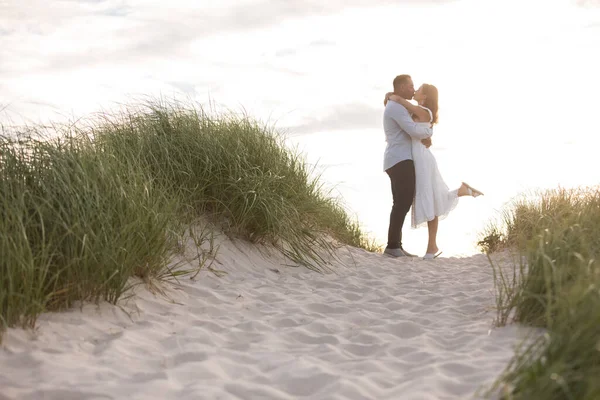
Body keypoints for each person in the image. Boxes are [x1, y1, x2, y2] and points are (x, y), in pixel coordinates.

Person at [384, 83, 483, 259]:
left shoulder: (424, 112)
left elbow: (411, 116)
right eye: (412, 86)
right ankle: (431, 245)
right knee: (430, 196)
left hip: (421, 158)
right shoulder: (416, 111)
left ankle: (431, 247)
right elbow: (408, 121)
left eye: (418, 88)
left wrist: (397, 98)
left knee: (430, 197)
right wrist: (391, 96)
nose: (415, 90)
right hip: (417, 157)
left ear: (425, 96)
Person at [382, 75, 433, 258]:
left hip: (399, 158)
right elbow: (412, 129)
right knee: (402, 202)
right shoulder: (396, 107)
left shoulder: (397, 104)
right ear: (402, 87)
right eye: (411, 86)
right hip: (399, 159)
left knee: (401, 202)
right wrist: (427, 133)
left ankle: (396, 245)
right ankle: (393, 246)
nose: (413, 89)